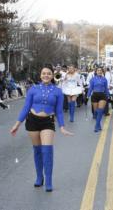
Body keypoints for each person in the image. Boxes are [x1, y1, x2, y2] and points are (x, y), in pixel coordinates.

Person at [10, 64, 73, 192]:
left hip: (47, 122)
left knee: (47, 150)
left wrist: (62, 127)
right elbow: (26, 108)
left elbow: (59, 112)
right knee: (37, 150)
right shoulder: (33, 89)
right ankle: (39, 177)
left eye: (49, 73)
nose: (46, 75)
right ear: (40, 75)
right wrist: (17, 124)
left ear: (52, 75)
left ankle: (48, 180)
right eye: (44, 73)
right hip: (32, 121)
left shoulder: (58, 92)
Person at [87, 67, 109, 132]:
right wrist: (87, 96)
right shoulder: (92, 79)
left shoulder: (104, 79)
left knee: (100, 111)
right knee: (96, 112)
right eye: (98, 70)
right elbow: (90, 88)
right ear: (96, 71)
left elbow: (106, 88)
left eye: (100, 70)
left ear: (102, 72)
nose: (99, 71)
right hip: (95, 95)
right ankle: (99, 125)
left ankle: (96, 126)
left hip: (102, 95)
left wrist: (108, 96)